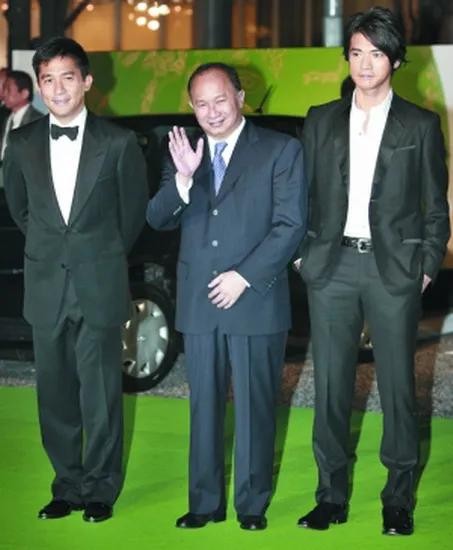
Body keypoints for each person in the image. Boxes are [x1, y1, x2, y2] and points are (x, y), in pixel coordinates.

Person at [295, 6, 449, 536]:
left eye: (376, 54)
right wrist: (303, 256)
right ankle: (330, 496)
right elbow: (302, 196)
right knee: (330, 387)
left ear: (396, 61)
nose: (365, 64)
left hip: (394, 271)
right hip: (331, 266)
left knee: (399, 389)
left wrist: (424, 266)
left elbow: (435, 208)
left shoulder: (421, 124)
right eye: (357, 52)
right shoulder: (320, 120)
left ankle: (398, 500)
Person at [147, 62, 306, 531]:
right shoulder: (184, 151)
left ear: (239, 97)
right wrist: (181, 180)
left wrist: (245, 276)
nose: (212, 112)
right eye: (201, 104)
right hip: (199, 302)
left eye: (220, 100)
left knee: (256, 406)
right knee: (203, 406)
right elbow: (157, 217)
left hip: (255, 299)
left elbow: (291, 225)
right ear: (191, 106)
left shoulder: (281, 149)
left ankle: (252, 504)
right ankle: (204, 502)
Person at [3, 37, 148, 523]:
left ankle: (100, 488)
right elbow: (20, 207)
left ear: (86, 81)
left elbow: (131, 215)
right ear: (39, 87)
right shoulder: (21, 143)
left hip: (98, 284)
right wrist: (53, 247)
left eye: (67, 77)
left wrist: (96, 253)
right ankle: (66, 485)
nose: (58, 88)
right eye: (48, 79)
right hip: (46, 284)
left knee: (101, 395)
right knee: (54, 395)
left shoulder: (118, 142)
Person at [1, 70, 43, 161]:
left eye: (8, 90)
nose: (4, 94)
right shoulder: (5, 118)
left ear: (24, 94)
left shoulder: (37, 121)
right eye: (4, 89)